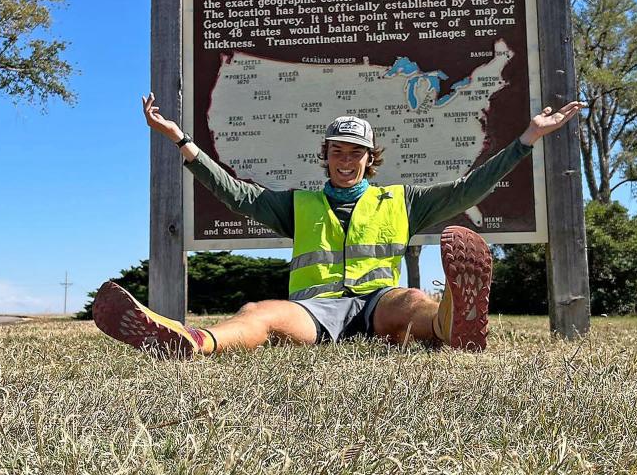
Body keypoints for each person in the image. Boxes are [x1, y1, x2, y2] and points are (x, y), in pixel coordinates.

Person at [92, 94, 584, 356]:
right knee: (259, 311)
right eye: (337, 152)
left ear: (371, 160)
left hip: (377, 302)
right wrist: (183, 143)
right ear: (324, 157)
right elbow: (235, 192)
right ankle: (195, 342)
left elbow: (467, 190)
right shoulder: (298, 203)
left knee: (414, 302)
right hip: (316, 310)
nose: (346, 161)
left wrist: (525, 141)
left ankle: (452, 321)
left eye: (356, 153)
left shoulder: (402, 199)